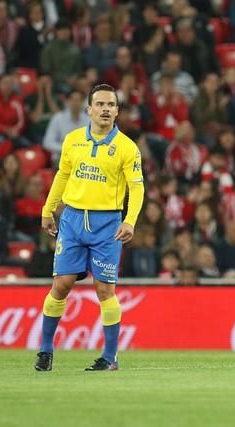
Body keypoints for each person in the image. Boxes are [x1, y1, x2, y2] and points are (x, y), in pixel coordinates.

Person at [35, 84, 145, 372]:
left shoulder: (127, 148)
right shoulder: (72, 141)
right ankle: (45, 351)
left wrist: (129, 220)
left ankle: (110, 357)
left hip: (107, 224)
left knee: (104, 289)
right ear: (90, 110)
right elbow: (62, 176)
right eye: (100, 104)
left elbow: (137, 188)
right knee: (61, 285)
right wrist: (48, 210)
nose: (106, 109)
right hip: (72, 220)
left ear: (117, 111)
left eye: (111, 105)